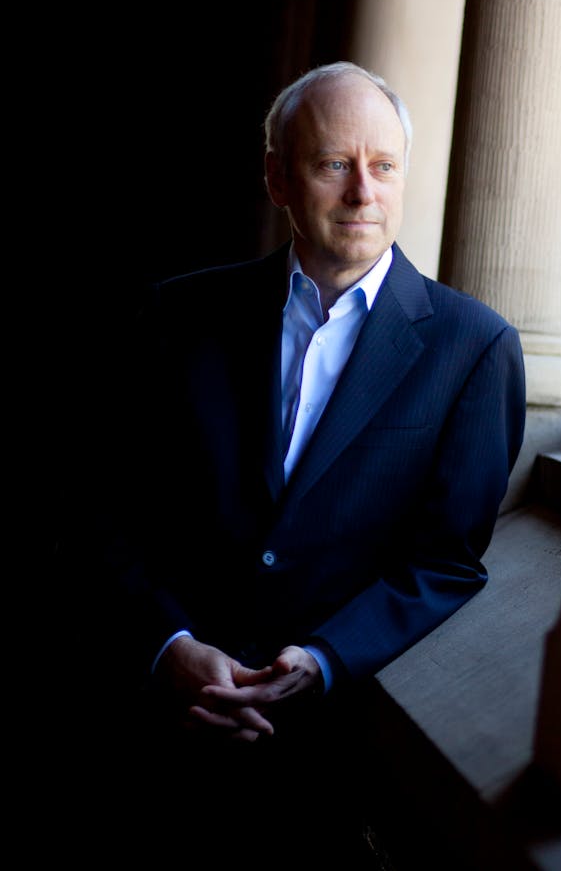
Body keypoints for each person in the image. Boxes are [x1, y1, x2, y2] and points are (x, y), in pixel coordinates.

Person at [80, 62, 525, 863]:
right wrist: (168, 646)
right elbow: (104, 516)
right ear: (277, 178)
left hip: (324, 771)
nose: (364, 191)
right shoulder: (178, 316)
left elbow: (447, 563)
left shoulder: (474, 348)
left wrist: (320, 659)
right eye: (333, 164)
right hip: (148, 747)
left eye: (384, 166)